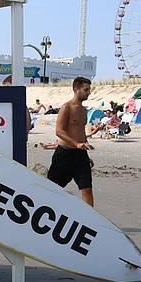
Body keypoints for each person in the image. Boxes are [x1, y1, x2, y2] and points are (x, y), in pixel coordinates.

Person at [47, 76, 95, 207]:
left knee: (87, 188)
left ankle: (90, 220)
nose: (89, 92)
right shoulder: (66, 107)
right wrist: (77, 144)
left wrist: (85, 153)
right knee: (52, 187)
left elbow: (80, 132)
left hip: (80, 155)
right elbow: (59, 131)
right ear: (76, 89)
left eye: (89, 89)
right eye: (86, 89)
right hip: (64, 154)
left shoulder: (84, 110)